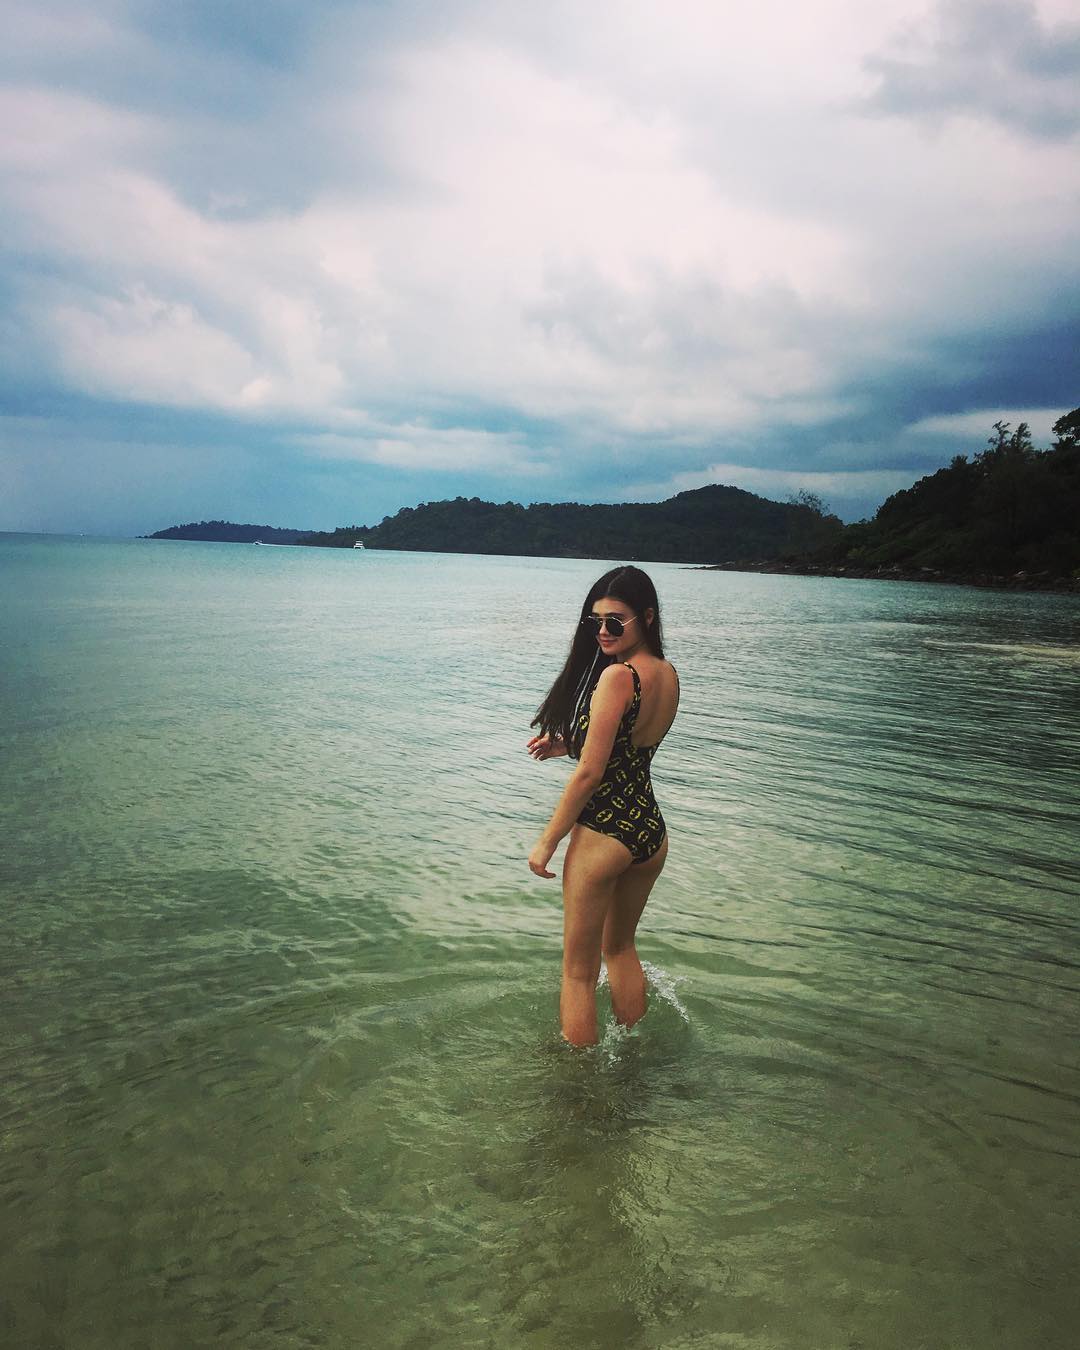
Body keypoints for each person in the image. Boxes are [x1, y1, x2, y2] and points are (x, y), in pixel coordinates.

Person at [527, 566, 680, 1047]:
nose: (603, 632)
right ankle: (632, 1060)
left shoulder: (618, 676)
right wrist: (568, 744)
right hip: (649, 830)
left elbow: (591, 775)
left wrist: (547, 842)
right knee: (620, 949)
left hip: (605, 831)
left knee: (577, 972)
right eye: (595, 622)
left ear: (647, 618)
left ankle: (576, 1083)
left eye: (615, 621)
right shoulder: (667, 674)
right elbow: (629, 746)